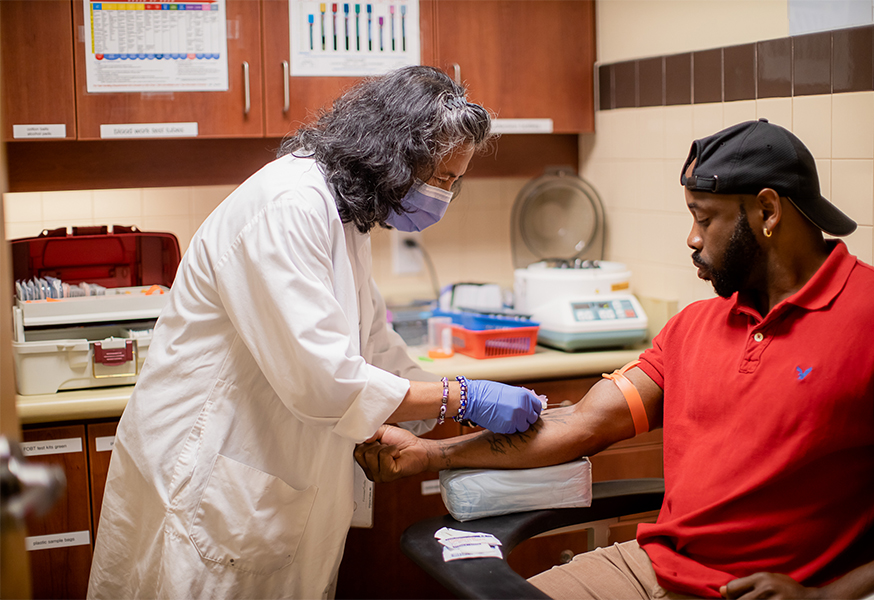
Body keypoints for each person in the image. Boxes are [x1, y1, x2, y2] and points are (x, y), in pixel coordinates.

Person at [355, 119, 874, 600]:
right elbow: (584, 424)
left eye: (704, 218)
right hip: (652, 567)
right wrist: (429, 455)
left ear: (767, 211)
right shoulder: (694, 327)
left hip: (769, 589)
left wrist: (828, 596)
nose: (690, 238)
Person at [87, 66, 543, 599]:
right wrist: (462, 398)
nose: (444, 196)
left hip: (272, 479)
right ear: (393, 153)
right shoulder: (290, 205)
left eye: (453, 183)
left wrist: (417, 419)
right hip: (210, 472)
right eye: (440, 178)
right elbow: (325, 380)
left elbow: (374, 347)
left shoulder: (347, 212)